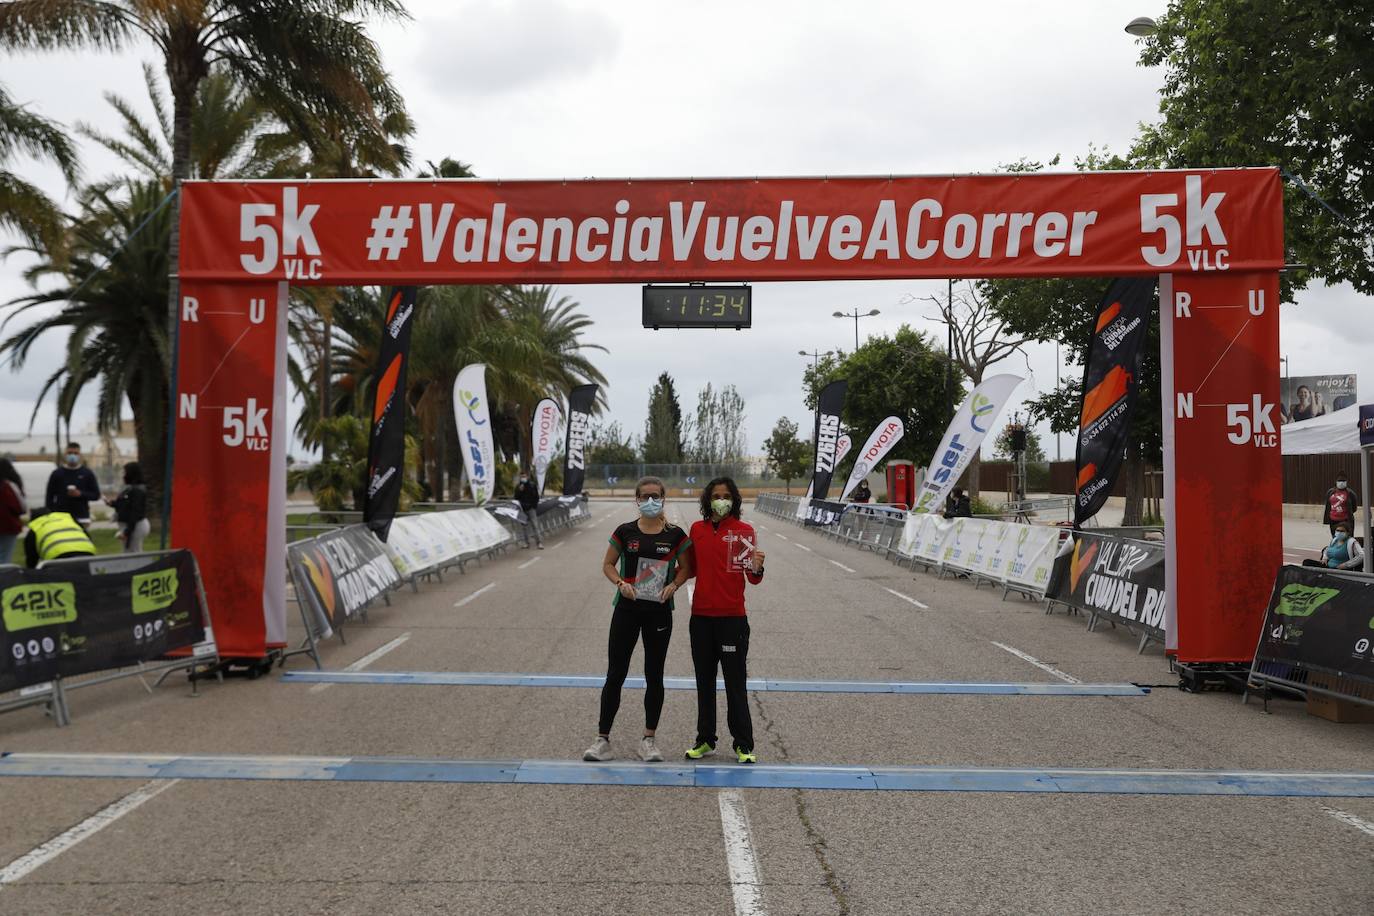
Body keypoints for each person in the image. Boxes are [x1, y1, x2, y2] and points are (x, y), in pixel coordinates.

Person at [584, 476, 691, 763]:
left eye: (655, 496)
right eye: (645, 497)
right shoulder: (625, 532)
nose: (650, 501)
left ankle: (649, 740)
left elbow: (687, 568)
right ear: (637, 500)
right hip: (627, 610)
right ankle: (602, 740)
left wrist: (674, 585)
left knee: (654, 675)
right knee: (615, 673)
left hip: (658, 611)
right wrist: (620, 583)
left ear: (664, 498)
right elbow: (607, 565)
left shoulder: (675, 534)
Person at [685, 477, 765, 765]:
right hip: (701, 619)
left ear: (734, 500)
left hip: (732, 618)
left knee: (735, 684)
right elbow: (688, 569)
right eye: (716, 495)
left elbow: (752, 578)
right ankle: (705, 739)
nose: (721, 500)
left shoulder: (744, 532)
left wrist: (757, 568)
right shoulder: (697, 529)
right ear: (708, 500)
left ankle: (743, 744)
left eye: (726, 495)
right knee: (704, 683)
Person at [45, 442, 100, 528]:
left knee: (80, 541)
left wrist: (80, 494)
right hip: (61, 517)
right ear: (65, 454)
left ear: (80, 455)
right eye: (70, 453)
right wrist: (51, 514)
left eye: (75, 453)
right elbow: (49, 496)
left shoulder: (87, 473)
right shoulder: (57, 473)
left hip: (82, 517)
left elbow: (96, 495)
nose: (72, 456)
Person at [23, 508, 95, 568]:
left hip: (58, 557)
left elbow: (31, 559)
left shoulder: (36, 527)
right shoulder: (69, 519)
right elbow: (87, 536)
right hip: (87, 551)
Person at [107, 462, 150, 553]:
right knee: (128, 550)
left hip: (135, 526)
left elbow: (135, 511)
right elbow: (125, 505)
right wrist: (113, 503)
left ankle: (137, 567)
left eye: (125, 472)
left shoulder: (137, 490)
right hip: (128, 525)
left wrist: (127, 531)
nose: (123, 475)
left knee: (133, 551)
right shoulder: (130, 488)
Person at [0, 458, 26, 564]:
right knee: (5, 558)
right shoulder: (9, 486)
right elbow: (21, 507)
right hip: (9, 526)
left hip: (7, 526)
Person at [513, 469, 544, 549]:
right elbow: (516, 497)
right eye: (521, 477)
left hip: (531, 508)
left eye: (524, 476)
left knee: (535, 525)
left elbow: (536, 496)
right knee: (524, 527)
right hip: (522, 509)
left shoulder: (532, 485)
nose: (523, 478)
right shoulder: (518, 486)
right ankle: (526, 543)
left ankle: (539, 543)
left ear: (527, 476)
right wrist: (519, 491)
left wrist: (534, 506)